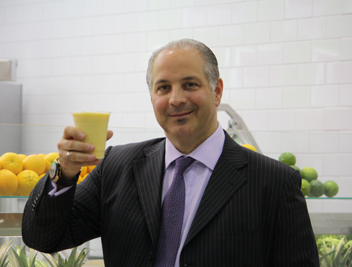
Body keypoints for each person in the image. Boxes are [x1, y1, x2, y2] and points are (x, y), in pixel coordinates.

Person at [22, 39, 319, 267]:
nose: (176, 99)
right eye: (163, 87)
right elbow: (42, 237)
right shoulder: (118, 167)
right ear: (152, 96)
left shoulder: (274, 183)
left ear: (217, 91)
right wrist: (62, 171)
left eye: (189, 84)